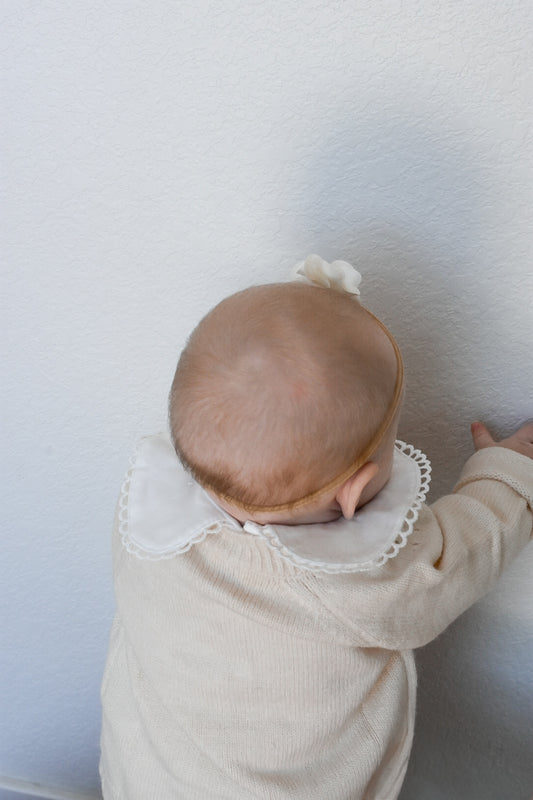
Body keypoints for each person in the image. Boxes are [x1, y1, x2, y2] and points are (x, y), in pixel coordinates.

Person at [100, 255, 533, 800]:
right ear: (355, 491)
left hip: (150, 779)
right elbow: (463, 551)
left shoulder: (145, 516)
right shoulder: (367, 579)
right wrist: (509, 474)